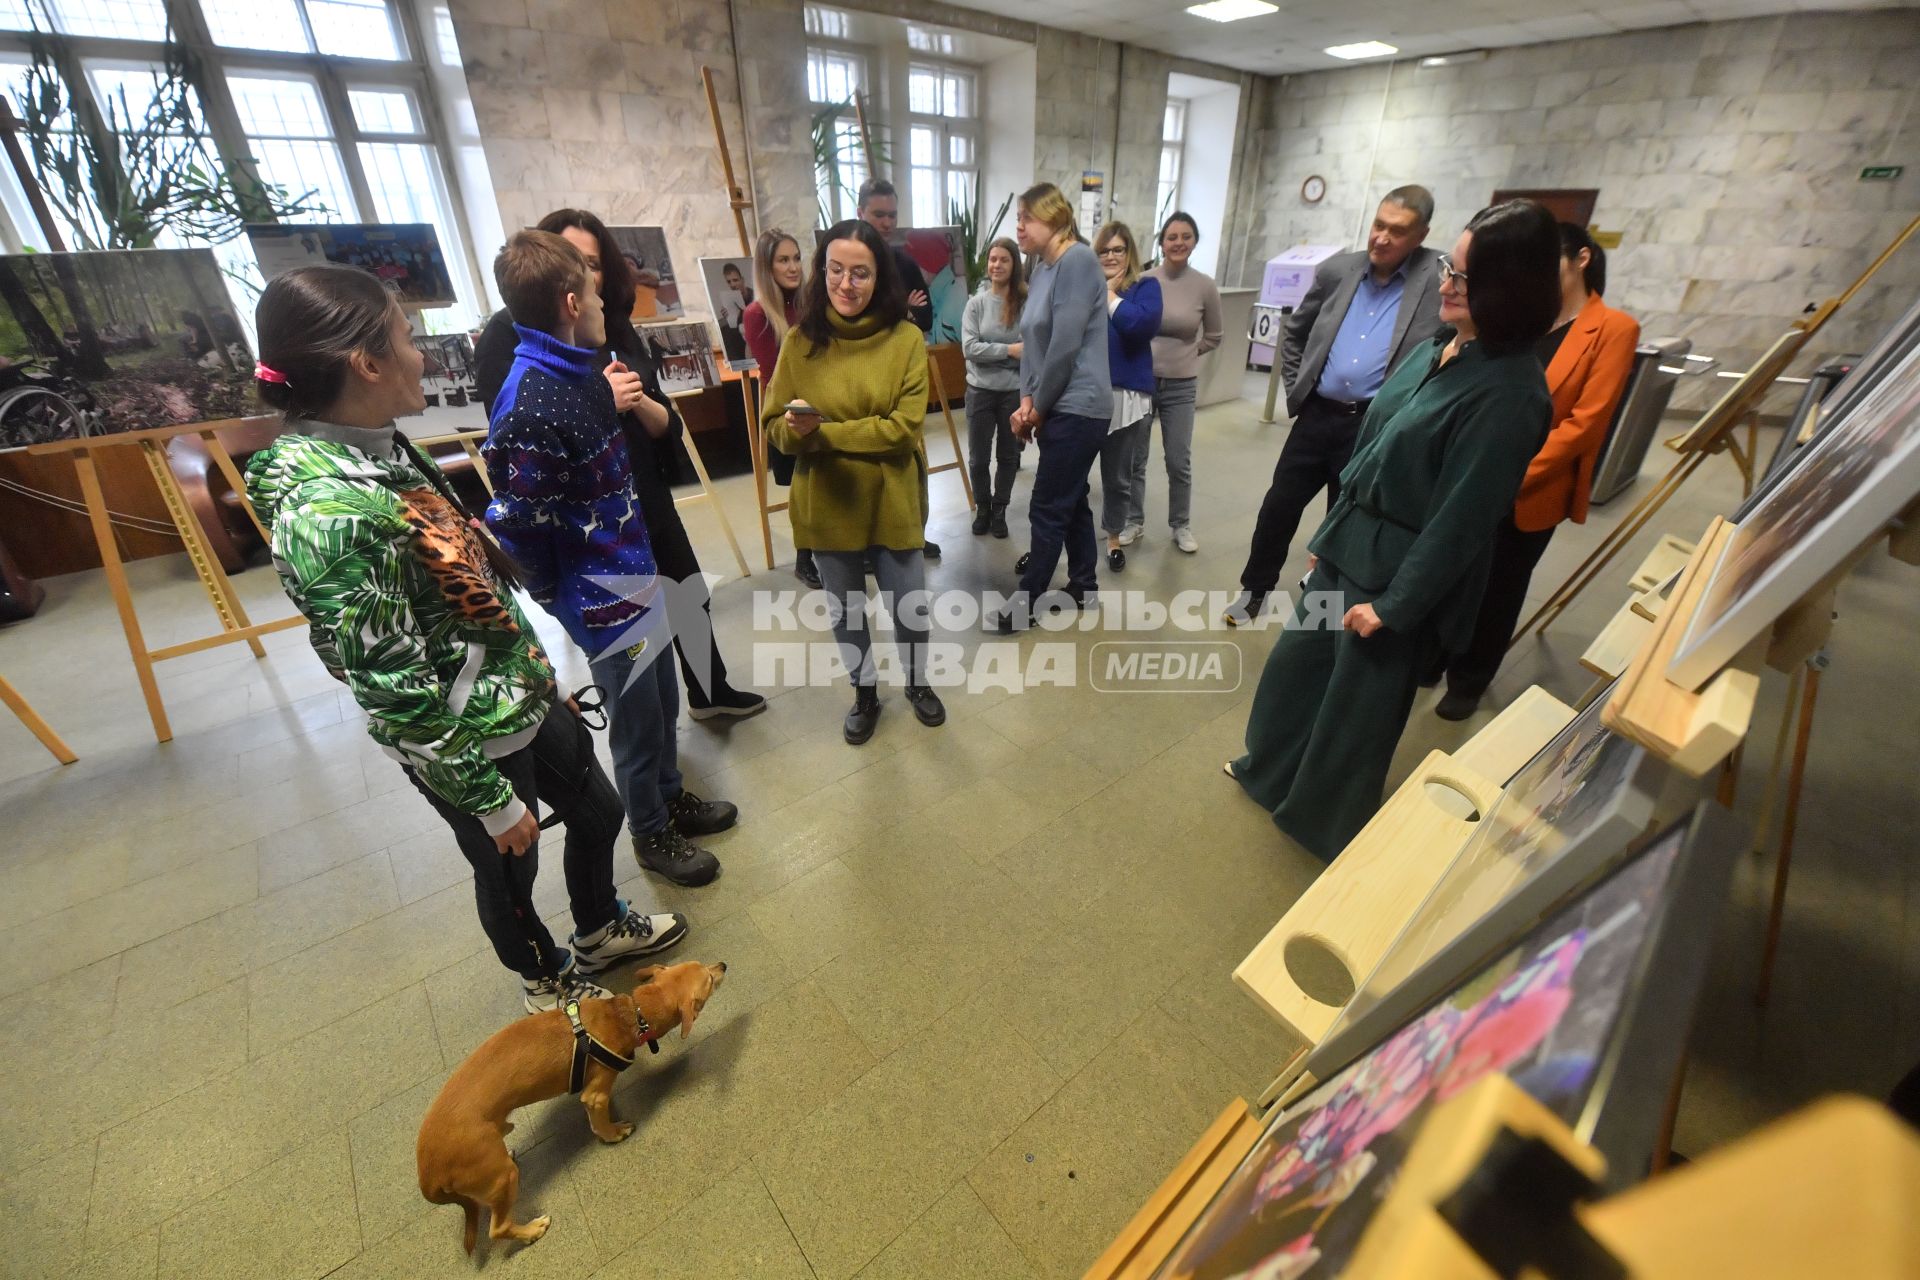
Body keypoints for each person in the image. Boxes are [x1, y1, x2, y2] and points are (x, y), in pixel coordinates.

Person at [244, 265, 686, 1014]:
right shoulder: (326, 510)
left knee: (599, 812)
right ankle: (544, 978)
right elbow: (389, 687)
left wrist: (540, 683)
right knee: (509, 867)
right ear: (367, 363)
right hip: (461, 739)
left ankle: (600, 927)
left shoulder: (377, 446)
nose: (422, 357)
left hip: (510, 692)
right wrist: (485, 801)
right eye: (407, 341)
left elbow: (469, 586)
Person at [1226, 200, 1560, 862]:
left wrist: (1395, 607)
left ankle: (1324, 821)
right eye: (1448, 269)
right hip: (1349, 545)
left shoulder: (1510, 395)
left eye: (1462, 276)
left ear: (1507, 289)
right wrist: (1326, 543)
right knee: (1296, 670)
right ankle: (1271, 773)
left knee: (1357, 710)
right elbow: (1372, 449)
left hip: (1398, 571)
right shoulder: (1443, 346)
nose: (1445, 284)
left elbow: (1462, 520)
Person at [484, 230, 738, 891]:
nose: (605, 304)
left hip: (634, 570)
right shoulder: (534, 402)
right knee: (633, 722)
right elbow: (521, 533)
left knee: (661, 701)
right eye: (595, 291)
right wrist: (568, 603)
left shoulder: (580, 374)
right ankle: (651, 831)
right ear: (571, 302)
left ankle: (669, 795)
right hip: (600, 596)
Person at [474, 208, 766, 722]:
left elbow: (662, 417)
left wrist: (642, 404)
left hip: (639, 484)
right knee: (630, 639)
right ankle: (655, 758)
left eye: (594, 262)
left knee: (683, 590)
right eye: (577, 261)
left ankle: (709, 691)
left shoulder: (611, 318)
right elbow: (517, 429)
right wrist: (596, 396)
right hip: (585, 514)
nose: (591, 276)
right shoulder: (507, 336)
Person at [1431, 223, 1641, 719]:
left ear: (1582, 260)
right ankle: (1432, 655)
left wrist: (1503, 473)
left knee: (1499, 586)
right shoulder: (1518, 315)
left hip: (1530, 488)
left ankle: (1470, 677)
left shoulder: (1612, 328)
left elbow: (1585, 424)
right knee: (1448, 569)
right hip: (1469, 472)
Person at [761, 219, 945, 744]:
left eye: (859, 273)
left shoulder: (907, 339)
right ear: (822, 273)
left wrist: (823, 434)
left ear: (878, 277)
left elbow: (902, 430)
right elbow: (775, 425)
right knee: (846, 611)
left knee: (908, 606)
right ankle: (864, 693)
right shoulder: (800, 341)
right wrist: (798, 433)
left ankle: (917, 683)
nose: (846, 284)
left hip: (893, 497)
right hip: (828, 501)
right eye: (836, 270)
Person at [1227, 187, 1443, 624]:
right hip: (1317, 416)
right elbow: (1295, 331)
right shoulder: (1337, 272)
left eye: (1397, 231)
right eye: (1378, 224)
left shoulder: (1435, 283)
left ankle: (1323, 601)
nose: (1381, 237)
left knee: (1344, 518)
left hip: (1371, 426)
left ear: (1420, 235)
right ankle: (1254, 590)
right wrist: (1296, 386)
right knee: (1278, 508)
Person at [990, 182, 1111, 632]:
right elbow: (1032, 344)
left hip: (1080, 405)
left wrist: (1035, 409)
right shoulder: (1040, 267)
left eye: (1027, 218)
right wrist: (1026, 401)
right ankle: (1083, 583)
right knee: (1071, 496)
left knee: (1047, 504)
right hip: (1052, 402)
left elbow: (1063, 347)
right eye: (1016, 217)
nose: (1018, 227)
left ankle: (1026, 601)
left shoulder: (1078, 260)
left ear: (1055, 219)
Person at [1122, 212, 1221, 555]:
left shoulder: (1205, 285)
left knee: (1179, 460)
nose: (1178, 242)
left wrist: (1189, 354)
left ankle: (1181, 524)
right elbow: (1131, 325)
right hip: (1142, 381)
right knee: (1135, 457)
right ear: (1161, 242)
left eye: (1186, 236)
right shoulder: (1144, 281)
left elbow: (1214, 335)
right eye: (1172, 237)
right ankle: (1133, 521)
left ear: (1194, 242)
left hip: (1181, 386)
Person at [858, 178, 939, 559]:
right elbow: (850, 319)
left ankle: (910, 534)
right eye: (879, 214)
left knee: (907, 459)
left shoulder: (904, 262)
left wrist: (902, 313)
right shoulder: (847, 262)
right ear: (861, 213)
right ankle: (870, 541)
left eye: (892, 214)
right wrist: (900, 310)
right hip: (859, 377)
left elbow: (924, 318)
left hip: (902, 374)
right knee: (866, 463)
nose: (887, 222)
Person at [742, 228, 818, 587]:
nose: (793, 267)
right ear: (767, 267)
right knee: (803, 486)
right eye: (783, 260)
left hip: (825, 401)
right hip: (792, 409)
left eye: (796, 258)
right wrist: (806, 411)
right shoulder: (758, 313)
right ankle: (805, 559)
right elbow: (775, 374)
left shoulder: (812, 302)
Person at [1095, 221, 1162, 572]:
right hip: (1086, 394)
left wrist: (1109, 296)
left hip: (1128, 397)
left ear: (1130, 253)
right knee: (1071, 474)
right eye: (1104, 250)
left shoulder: (1144, 287)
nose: (1110, 255)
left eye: (1118, 249)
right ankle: (1062, 537)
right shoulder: (1085, 288)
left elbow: (1139, 326)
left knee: (1118, 476)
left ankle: (1113, 537)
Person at [961, 237, 1026, 538]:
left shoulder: (1024, 304)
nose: (997, 264)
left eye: (1004, 259)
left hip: (1013, 391)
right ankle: (982, 507)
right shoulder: (975, 304)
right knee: (978, 457)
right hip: (980, 391)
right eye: (993, 259)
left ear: (1014, 265)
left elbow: (1031, 348)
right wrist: (1009, 351)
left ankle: (1000, 509)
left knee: (1009, 456)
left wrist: (1002, 352)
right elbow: (971, 348)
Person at [715, 261, 753, 364]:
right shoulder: (731, 300)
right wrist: (727, 317)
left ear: (742, 280)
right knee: (724, 329)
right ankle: (734, 363)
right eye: (729, 282)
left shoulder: (754, 297)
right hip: (739, 335)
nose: (732, 284)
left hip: (753, 333)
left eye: (735, 280)